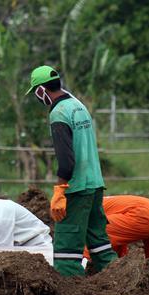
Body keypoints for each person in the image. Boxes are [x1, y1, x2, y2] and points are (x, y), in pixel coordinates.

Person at [27, 65, 118, 277]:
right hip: (95, 184)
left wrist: (60, 191)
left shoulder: (59, 113)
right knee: (99, 242)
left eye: (36, 94)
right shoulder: (77, 105)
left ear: (41, 91)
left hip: (76, 188)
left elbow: (66, 161)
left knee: (67, 246)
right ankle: (117, 278)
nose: (38, 99)